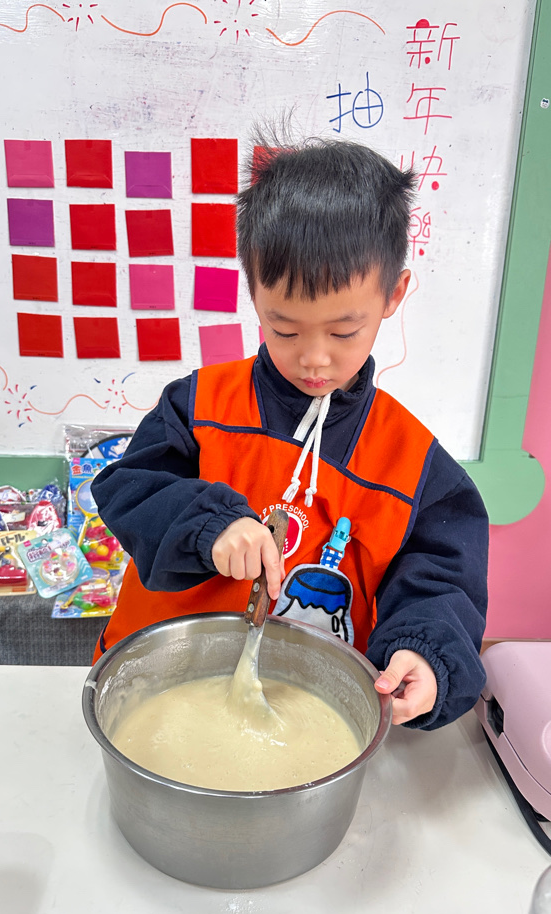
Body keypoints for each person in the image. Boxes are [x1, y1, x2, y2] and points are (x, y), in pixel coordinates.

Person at [92, 136, 488, 730]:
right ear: (253, 292)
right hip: (161, 690)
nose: (314, 359)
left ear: (393, 295)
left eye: (343, 332)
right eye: (284, 329)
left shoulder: (414, 464)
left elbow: (441, 580)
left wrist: (426, 653)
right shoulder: (198, 405)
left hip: (306, 712)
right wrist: (209, 525)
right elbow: (130, 490)